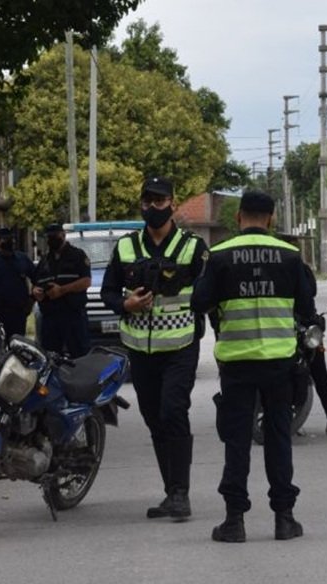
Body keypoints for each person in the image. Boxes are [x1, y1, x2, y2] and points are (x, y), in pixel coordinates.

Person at [191, 190, 316, 543]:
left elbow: (199, 301)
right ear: (272, 218)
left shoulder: (218, 255)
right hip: (279, 362)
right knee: (278, 438)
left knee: (237, 439)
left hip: (237, 362)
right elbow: (307, 308)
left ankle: (234, 521)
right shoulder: (291, 256)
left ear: (238, 217)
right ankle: (284, 519)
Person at [100, 176, 207, 523]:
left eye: (160, 202)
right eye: (148, 201)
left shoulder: (192, 248)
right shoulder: (127, 247)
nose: (153, 208)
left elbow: (209, 295)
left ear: (172, 204)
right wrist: (126, 304)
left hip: (180, 344)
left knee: (173, 409)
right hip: (140, 350)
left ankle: (181, 493)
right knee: (154, 418)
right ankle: (171, 491)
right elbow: (108, 292)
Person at [32, 223, 92, 357]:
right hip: (50, 317)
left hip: (73, 315)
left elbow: (86, 281)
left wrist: (62, 290)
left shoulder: (77, 255)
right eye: (49, 237)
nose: (51, 240)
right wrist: (36, 291)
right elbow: (37, 283)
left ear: (63, 235)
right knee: (50, 357)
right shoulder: (45, 260)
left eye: (55, 236)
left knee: (80, 355)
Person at [302, 263, 327, 435]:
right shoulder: (278, 269)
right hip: (282, 326)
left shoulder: (303, 269)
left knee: (320, 373)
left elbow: (311, 294)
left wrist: (317, 321)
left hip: (306, 327)